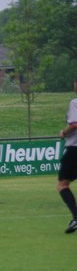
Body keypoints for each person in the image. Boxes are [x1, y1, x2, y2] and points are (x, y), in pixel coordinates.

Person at [58, 78, 77, 234]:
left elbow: (74, 124)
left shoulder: (75, 103)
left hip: (74, 149)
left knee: (62, 185)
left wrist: (64, 133)